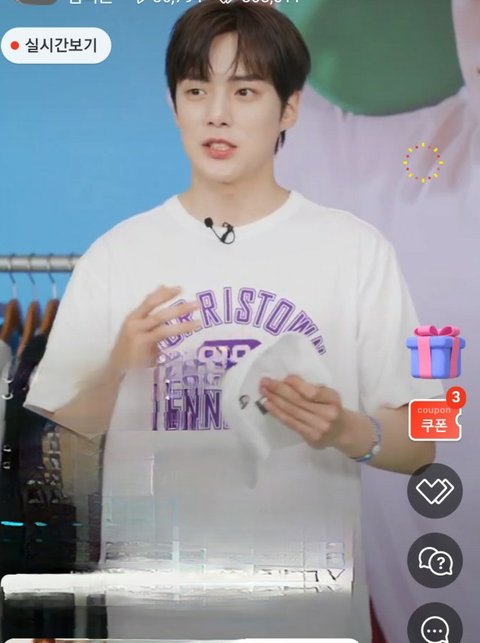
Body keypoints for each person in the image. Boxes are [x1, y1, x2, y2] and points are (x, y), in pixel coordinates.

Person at [25, 1, 443, 641]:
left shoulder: (355, 251)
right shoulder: (118, 254)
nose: (216, 113)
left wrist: (345, 429)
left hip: (309, 618)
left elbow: (421, 443)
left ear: (290, 108)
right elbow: (63, 441)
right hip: (156, 621)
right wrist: (116, 367)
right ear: (174, 105)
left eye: (245, 91)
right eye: (197, 90)